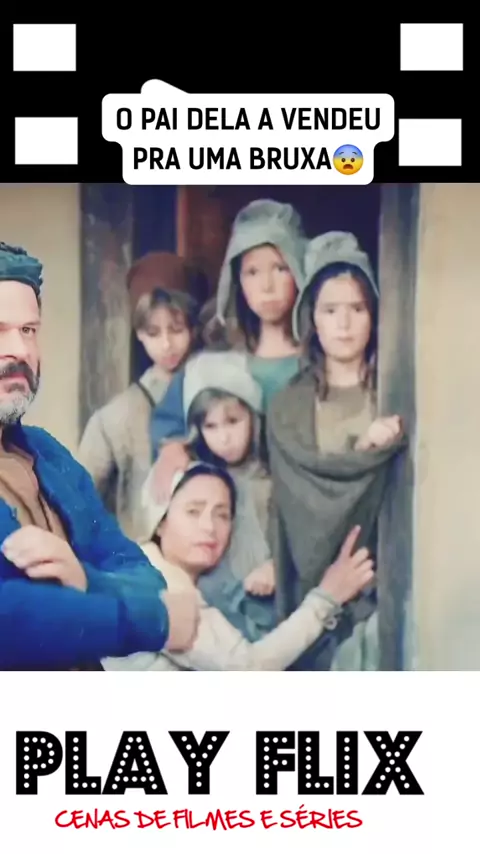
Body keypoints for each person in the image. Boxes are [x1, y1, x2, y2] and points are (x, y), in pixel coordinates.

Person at [0, 241, 199, 670]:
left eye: (28, 330)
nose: (20, 349)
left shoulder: (47, 453)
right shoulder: (114, 419)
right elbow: (11, 616)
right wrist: (154, 619)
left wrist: (83, 579)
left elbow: (140, 573)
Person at [266, 231, 407, 670]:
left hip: (389, 585)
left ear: (374, 315)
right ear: (313, 318)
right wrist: (363, 452)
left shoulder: (398, 393)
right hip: (316, 592)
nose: (344, 324)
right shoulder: (288, 408)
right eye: (330, 310)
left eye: (357, 309)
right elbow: (300, 510)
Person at [102, 463, 374, 671]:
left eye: (222, 515)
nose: (209, 527)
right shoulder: (151, 584)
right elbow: (247, 667)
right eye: (193, 511)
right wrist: (326, 598)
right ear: (160, 523)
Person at [148, 199, 307, 500]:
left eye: (280, 268)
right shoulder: (211, 366)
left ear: (299, 270)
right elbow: (169, 425)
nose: (267, 285)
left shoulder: (318, 364)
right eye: (252, 272)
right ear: (236, 280)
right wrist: (172, 449)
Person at [78, 282, 200, 540]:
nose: (166, 344)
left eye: (176, 330)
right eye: (153, 333)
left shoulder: (212, 391)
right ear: (140, 334)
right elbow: (80, 497)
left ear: (192, 329)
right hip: (142, 545)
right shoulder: (114, 416)